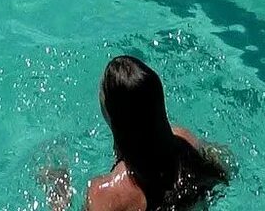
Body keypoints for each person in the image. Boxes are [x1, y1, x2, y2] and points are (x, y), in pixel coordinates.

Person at [84, 56, 228, 210]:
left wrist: (60, 196)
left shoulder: (105, 193)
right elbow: (223, 168)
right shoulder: (187, 141)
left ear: (111, 114)